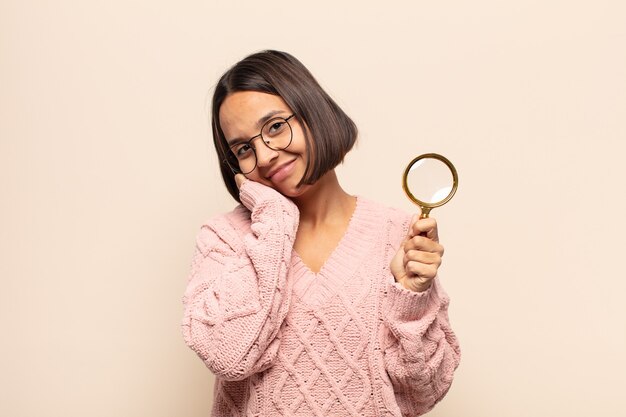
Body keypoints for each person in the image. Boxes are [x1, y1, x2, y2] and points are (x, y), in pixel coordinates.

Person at [181, 50, 460, 417]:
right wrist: (276, 219)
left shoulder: (396, 233)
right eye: (244, 149)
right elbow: (228, 357)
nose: (264, 157)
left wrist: (410, 298)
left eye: (276, 126)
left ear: (313, 112)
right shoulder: (224, 239)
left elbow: (423, 394)